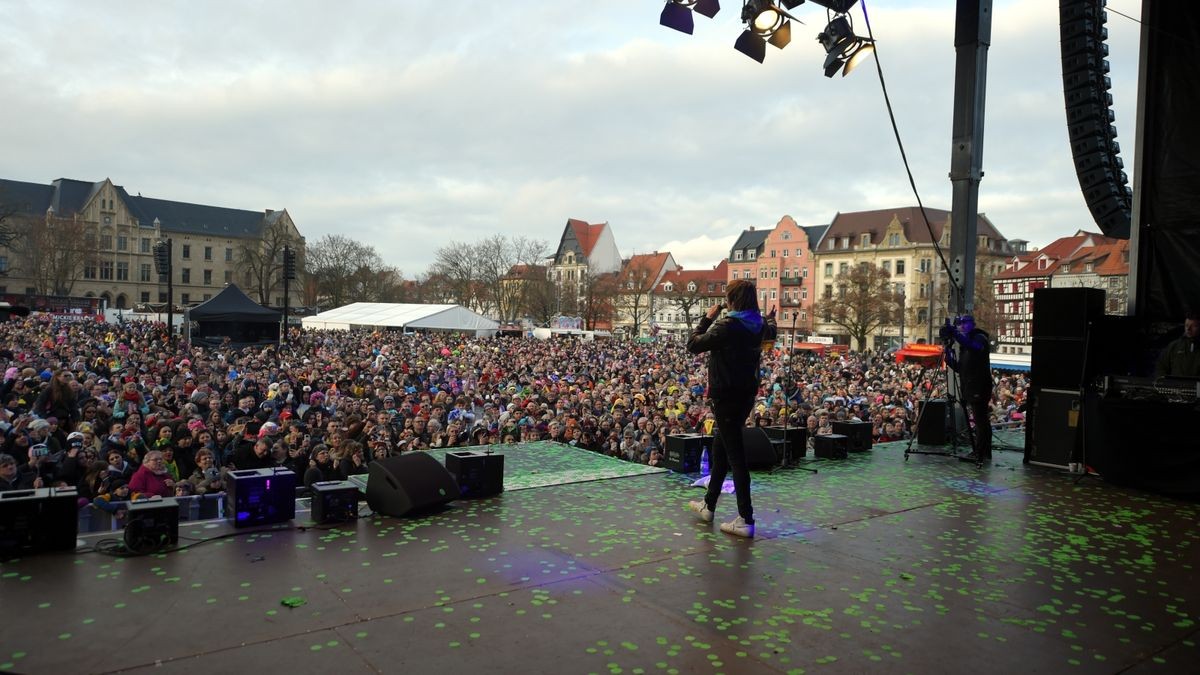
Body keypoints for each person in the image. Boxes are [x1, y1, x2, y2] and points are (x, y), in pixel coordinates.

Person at [685, 279, 777, 538]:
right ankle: (709, 504)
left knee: (735, 457)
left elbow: (693, 345)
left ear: (733, 300)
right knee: (720, 447)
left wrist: (706, 318)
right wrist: (771, 318)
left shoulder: (728, 325)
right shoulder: (757, 324)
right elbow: (771, 329)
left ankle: (745, 518)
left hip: (725, 394)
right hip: (745, 393)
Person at [940, 315, 993, 462]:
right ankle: (983, 452)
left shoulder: (979, 338)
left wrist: (955, 334)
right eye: (959, 324)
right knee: (981, 420)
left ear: (973, 324)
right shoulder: (965, 344)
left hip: (979, 387)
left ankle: (980, 453)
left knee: (980, 421)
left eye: (964, 323)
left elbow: (975, 347)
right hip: (971, 386)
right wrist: (948, 354)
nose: (961, 326)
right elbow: (961, 369)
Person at [1155, 311, 1200, 377]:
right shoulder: (1174, 346)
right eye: (1186, 325)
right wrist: (1165, 383)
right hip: (1176, 386)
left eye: (1193, 326)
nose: (1188, 329)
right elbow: (1160, 367)